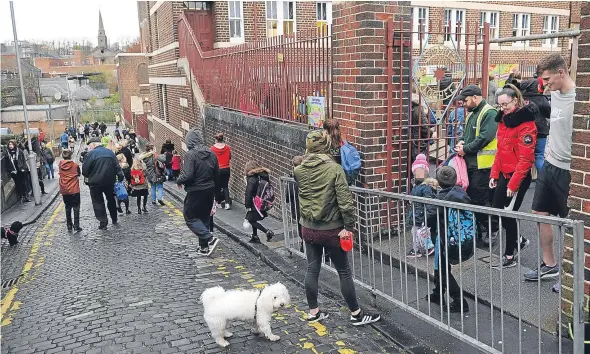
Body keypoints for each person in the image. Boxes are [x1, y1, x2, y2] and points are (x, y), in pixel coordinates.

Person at [294, 130, 381, 325]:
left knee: (312, 269)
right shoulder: (334, 169)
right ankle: (356, 313)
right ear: (325, 146)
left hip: (308, 228)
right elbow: (345, 201)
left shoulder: (299, 170)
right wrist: (349, 226)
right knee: (343, 271)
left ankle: (314, 311)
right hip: (332, 229)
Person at [525, 54, 576, 281]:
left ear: (561, 72)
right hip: (550, 164)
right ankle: (550, 264)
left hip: (569, 169)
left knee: (571, 222)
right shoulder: (554, 93)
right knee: (539, 213)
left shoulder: (579, 99)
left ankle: (571, 276)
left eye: (547, 79)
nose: (545, 85)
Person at [490, 84, 537, 268]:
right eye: (500, 105)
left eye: (506, 105)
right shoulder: (503, 120)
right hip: (504, 173)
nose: (503, 109)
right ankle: (518, 240)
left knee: (508, 214)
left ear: (515, 101)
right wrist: (495, 174)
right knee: (498, 210)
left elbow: (526, 160)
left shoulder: (527, 125)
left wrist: (513, 185)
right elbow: (500, 151)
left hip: (517, 176)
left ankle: (509, 256)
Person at [454, 84, 499, 246]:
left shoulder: (489, 112)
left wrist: (465, 149)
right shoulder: (473, 114)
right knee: (474, 198)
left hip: (484, 166)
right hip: (473, 165)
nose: (463, 104)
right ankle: (482, 229)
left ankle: (491, 229)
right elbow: (470, 136)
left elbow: (485, 137)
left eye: (465, 101)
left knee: (482, 200)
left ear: (475, 97)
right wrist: (462, 143)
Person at [428, 166, 471, 313]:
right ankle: (437, 293)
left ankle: (459, 301)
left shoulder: (441, 198)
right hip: (460, 237)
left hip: (445, 238)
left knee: (442, 269)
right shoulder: (462, 193)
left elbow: (430, 218)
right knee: (440, 266)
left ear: (438, 182)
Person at [176, 129, 220, 256]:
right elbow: (217, 175)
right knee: (204, 218)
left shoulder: (191, 155)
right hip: (209, 190)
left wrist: (179, 180)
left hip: (196, 191)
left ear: (189, 141)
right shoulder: (212, 153)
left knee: (190, 217)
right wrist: (217, 194)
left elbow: (188, 175)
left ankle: (209, 239)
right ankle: (204, 248)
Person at [82, 137, 125, 230]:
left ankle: (103, 222)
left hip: (95, 183)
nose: (90, 147)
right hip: (109, 182)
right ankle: (114, 218)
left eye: (90, 146)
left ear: (93, 145)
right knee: (111, 200)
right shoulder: (110, 153)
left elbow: (85, 171)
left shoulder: (90, 155)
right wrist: (120, 178)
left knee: (98, 202)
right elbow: (118, 167)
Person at [518, 78, 551, 174]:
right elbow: (549, 113)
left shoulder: (522, 99)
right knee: (539, 156)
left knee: (524, 156)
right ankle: (543, 180)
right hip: (540, 131)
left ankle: (522, 179)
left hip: (525, 132)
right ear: (537, 87)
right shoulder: (542, 99)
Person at [406, 154, 436, 258]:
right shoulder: (416, 185)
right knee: (419, 232)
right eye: (416, 171)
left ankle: (418, 250)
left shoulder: (425, 187)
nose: (417, 173)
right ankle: (424, 248)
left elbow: (429, 203)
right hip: (416, 213)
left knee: (418, 232)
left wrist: (426, 216)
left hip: (421, 214)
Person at [244, 161, 275, 243]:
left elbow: (249, 192)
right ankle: (255, 236)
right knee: (252, 218)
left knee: (251, 220)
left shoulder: (252, 179)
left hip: (254, 202)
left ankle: (267, 232)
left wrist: (247, 205)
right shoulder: (262, 176)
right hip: (262, 201)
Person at [59, 150, 82, 232]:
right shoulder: (75, 165)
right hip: (74, 189)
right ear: (71, 156)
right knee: (76, 207)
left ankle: (69, 225)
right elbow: (79, 174)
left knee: (67, 207)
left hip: (64, 190)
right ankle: (76, 226)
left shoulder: (60, 165)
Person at [285, 155, 304, 252]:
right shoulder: (306, 176)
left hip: (297, 209)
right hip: (307, 207)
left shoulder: (291, 180)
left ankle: (303, 245)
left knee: (301, 227)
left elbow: (287, 198)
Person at [411, 95, 434, 163]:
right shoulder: (419, 109)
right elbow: (425, 127)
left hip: (412, 140)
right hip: (419, 142)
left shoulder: (411, 107)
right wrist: (431, 132)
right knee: (420, 165)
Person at [210, 133, 232, 209]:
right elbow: (229, 157)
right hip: (226, 169)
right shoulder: (228, 147)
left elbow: (211, 159)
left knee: (217, 186)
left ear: (216, 140)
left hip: (217, 169)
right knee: (225, 186)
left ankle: (218, 202)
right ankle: (227, 203)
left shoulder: (212, 148)